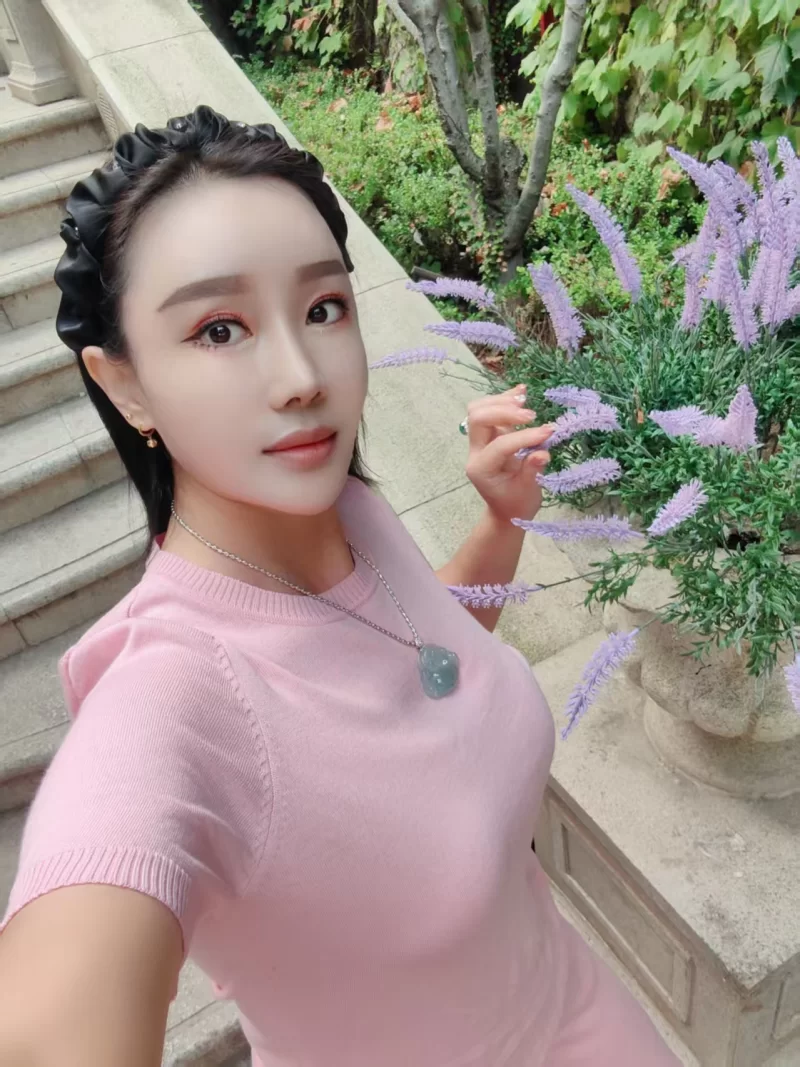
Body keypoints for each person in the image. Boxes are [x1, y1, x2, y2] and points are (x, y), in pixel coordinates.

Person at [0, 106, 679, 1067]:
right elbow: (59, 1001)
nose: (300, 377)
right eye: (220, 327)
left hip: (581, 1009)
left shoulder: (343, 513)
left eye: (323, 308)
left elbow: (409, 656)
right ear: (125, 384)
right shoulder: (172, 700)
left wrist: (501, 523)